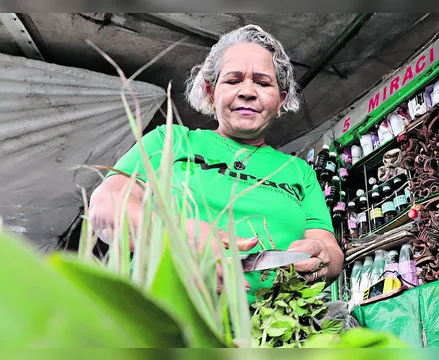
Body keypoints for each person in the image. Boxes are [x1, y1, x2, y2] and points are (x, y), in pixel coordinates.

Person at [88, 24, 344, 304]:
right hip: (164, 317)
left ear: (281, 100)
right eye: (233, 80)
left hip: (276, 331)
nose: (247, 91)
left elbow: (330, 251)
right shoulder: (170, 140)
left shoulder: (299, 172)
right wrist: (173, 236)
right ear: (211, 92)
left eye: (263, 82)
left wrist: (321, 257)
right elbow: (106, 205)